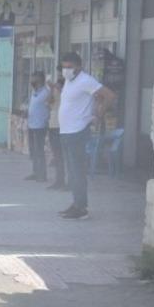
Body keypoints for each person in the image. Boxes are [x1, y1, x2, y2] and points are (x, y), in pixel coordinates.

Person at [56, 51, 116, 219]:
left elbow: (110, 96)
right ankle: (76, 203)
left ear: (78, 67)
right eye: (64, 67)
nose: (66, 70)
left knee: (77, 171)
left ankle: (81, 208)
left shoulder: (85, 80)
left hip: (77, 132)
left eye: (69, 67)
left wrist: (98, 115)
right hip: (66, 131)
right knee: (72, 172)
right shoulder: (69, 80)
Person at [25, 71, 52, 182]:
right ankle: (35, 172)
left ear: (40, 80)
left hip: (40, 125)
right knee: (33, 151)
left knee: (39, 150)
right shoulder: (34, 92)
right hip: (31, 124)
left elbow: (49, 106)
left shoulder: (46, 92)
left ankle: (42, 174)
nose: (31, 81)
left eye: (34, 79)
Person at [46, 76, 66, 190]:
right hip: (53, 125)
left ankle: (65, 181)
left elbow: (64, 93)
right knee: (57, 155)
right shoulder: (54, 91)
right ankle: (59, 180)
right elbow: (48, 102)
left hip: (61, 126)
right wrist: (51, 90)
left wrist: (55, 86)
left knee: (62, 156)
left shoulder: (65, 93)